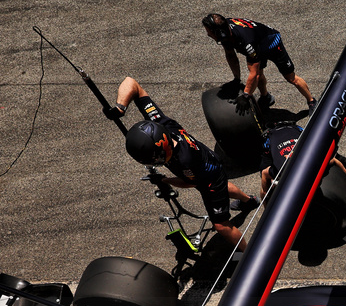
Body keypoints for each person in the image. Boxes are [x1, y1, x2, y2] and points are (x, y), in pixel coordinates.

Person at [104, 77, 256, 250]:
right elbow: (132, 83)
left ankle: (249, 252)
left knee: (221, 225)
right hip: (211, 162)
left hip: (208, 179)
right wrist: (120, 108)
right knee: (223, 187)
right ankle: (249, 201)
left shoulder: (186, 161)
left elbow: (189, 183)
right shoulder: (160, 122)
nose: (159, 162)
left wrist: (165, 181)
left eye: (158, 158)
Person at [201, 13, 314, 110]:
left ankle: (312, 101)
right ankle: (266, 98)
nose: (208, 35)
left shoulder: (246, 42)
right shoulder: (225, 31)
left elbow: (253, 74)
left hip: (272, 43)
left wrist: (246, 95)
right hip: (258, 43)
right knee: (259, 74)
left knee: (291, 78)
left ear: (219, 33)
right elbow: (231, 55)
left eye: (210, 33)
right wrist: (237, 79)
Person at [260, 122, 346, 198]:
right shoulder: (281, 170)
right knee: (268, 185)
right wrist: (265, 196)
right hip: (271, 138)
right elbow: (265, 174)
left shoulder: (313, 162)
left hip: (294, 129)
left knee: (337, 156)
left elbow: (335, 161)